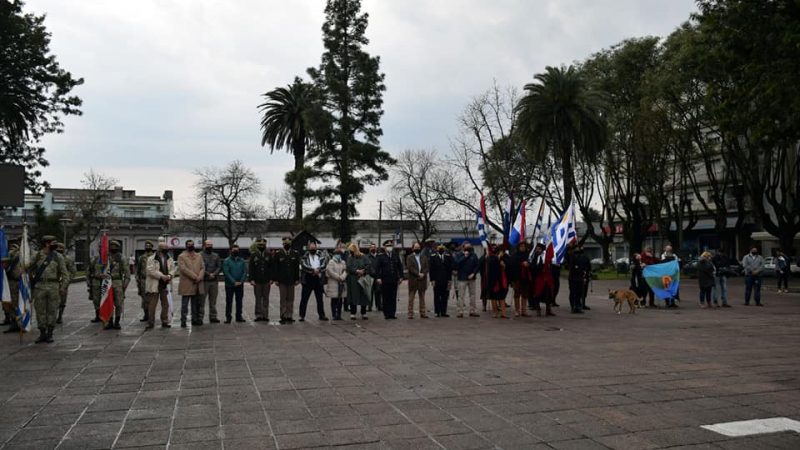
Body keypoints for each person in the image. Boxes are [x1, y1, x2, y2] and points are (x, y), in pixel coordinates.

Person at [29, 235, 68, 343]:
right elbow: (27, 268)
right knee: (40, 311)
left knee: (52, 310)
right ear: (47, 243)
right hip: (39, 287)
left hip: (53, 287)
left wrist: (63, 287)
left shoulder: (57, 256)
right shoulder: (36, 256)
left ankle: (50, 333)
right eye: (53, 242)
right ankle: (42, 333)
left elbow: (65, 274)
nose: (55, 244)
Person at [144, 240, 174, 329]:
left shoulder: (169, 258)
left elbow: (172, 269)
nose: (167, 249)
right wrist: (162, 276)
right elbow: (150, 271)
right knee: (152, 304)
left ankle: (164, 321)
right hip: (155, 284)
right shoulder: (151, 258)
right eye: (165, 248)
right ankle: (150, 322)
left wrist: (169, 275)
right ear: (160, 249)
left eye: (167, 248)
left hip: (165, 284)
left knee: (165, 304)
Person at [373, 240, 404, 320]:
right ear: (385, 247)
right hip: (385, 280)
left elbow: (400, 267)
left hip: (394, 279)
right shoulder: (381, 256)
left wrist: (401, 277)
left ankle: (392, 313)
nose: (389, 247)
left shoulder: (395, 256)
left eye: (390, 246)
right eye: (387, 246)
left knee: (393, 297)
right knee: (386, 297)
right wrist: (378, 278)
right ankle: (386, 313)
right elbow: (377, 268)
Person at [177, 240, 205, 327]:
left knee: (195, 304)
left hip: (197, 284)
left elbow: (203, 267)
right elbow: (183, 269)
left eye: (192, 244)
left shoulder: (199, 256)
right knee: (184, 304)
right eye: (189, 245)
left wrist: (200, 277)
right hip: (187, 283)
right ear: (186, 246)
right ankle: (183, 321)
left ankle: (194, 320)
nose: (191, 246)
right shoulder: (181, 256)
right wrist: (195, 277)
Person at [300, 241, 329, 322]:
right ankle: (302, 315)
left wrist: (318, 270)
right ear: (308, 248)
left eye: (314, 248)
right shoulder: (305, 256)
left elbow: (324, 264)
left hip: (318, 279)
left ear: (316, 248)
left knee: (320, 299)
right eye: (311, 248)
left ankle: (322, 315)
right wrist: (313, 270)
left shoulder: (320, 255)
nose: (313, 249)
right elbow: (303, 265)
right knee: (304, 299)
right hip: (308, 279)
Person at [105, 240, 130, 330]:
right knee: (109, 303)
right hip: (107, 283)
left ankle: (117, 321)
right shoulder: (106, 257)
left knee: (119, 303)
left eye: (115, 247)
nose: (113, 248)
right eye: (111, 247)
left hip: (118, 282)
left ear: (118, 247)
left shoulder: (122, 258)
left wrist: (124, 286)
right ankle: (110, 321)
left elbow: (127, 275)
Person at [274, 237, 300, 324]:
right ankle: (283, 315)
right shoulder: (278, 254)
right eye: (285, 244)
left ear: (290, 244)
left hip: (291, 280)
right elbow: (276, 268)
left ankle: (289, 315)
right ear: (283, 244)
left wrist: (297, 279)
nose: (287, 245)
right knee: (283, 299)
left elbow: (297, 268)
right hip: (282, 281)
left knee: (290, 299)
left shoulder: (295, 254)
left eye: (288, 244)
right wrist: (276, 279)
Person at [248, 238, 274, 322]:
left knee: (266, 298)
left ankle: (265, 315)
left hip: (267, 281)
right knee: (258, 298)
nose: (261, 246)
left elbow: (271, 267)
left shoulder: (269, 255)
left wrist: (271, 278)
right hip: (257, 281)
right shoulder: (253, 255)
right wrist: (251, 279)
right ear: (257, 245)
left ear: (265, 245)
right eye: (260, 245)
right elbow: (251, 268)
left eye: (263, 245)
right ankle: (258, 315)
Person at [453, 242, 480, 318]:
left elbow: (477, 265)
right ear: (463, 247)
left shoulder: (473, 255)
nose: (469, 249)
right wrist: (465, 257)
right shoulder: (458, 255)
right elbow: (456, 264)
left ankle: (472, 311)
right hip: (462, 278)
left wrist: (474, 273)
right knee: (461, 295)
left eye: (470, 247)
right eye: (467, 247)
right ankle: (460, 311)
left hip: (472, 278)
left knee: (472, 295)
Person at [223, 244, 247, 323]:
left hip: (240, 284)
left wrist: (241, 281)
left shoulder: (242, 261)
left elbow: (245, 272)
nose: (235, 251)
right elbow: (226, 273)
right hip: (230, 285)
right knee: (229, 301)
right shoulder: (227, 261)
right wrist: (234, 282)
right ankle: (228, 317)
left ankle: (239, 316)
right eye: (234, 250)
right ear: (230, 251)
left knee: (239, 301)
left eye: (237, 250)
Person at [346, 243, 371, 320]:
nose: (351, 252)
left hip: (363, 279)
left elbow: (368, 265)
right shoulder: (350, 258)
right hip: (353, 279)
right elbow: (349, 267)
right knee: (353, 295)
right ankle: (353, 313)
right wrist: (356, 271)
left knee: (364, 295)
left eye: (352, 250)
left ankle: (363, 312)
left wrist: (363, 271)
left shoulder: (363, 257)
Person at [530, 242, 555, 317]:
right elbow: (533, 267)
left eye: (539, 249)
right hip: (538, 278)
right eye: (537, 249)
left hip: (547, 278)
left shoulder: (546, 257)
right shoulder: (534, 257)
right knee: (537, 294)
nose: (538, 250)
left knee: (548, 294)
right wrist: (539, 269)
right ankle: (538, 309)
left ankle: (548, 310)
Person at [405, 241, 429, 319]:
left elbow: (426, 267)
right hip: (413, 280)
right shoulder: (409, 257)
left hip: (422, 280)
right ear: (412, 248)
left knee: (422, 298)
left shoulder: (424, 257)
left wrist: (423, 274)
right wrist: (418, 274)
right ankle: (410, 313)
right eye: (416, 247)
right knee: (411, 299)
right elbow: (410, 267)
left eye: (418, 247)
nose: (417, 249)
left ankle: (423, 313)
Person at [429, 244, 454, 318]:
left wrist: (449, 280)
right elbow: (431, 269)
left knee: (445, 296)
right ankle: (437, 312)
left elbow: (450, 269)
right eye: (439, 248)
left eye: (442, 248)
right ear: (437, 249)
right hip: (436, 280)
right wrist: (432, 280)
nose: (441, 250)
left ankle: (443, 312)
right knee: (436, 296)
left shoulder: (448, 256)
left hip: (445, 279)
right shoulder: (433, 257)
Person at [55, 242, 76, 324]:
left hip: (63, 283)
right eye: (58, 250)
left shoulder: (68, 259)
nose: (59, 251)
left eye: (61, 250)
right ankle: (53, 316)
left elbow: (73, 271)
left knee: (62, 301)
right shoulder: (52, 258)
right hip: (53, 282)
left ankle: (60, 316)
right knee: (53, 301)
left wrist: (67, 280)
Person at [486, 244, 510, 319]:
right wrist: (498, 259)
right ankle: (495, 312)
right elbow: (490, 266)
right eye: (501, 251)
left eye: (503, 251)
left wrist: (504, 265)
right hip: (494, 280)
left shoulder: (506, 257)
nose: (502, 253)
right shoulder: (492, 257)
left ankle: (503, 313)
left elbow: (509, 265)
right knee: (493, 297)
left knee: (502, 297)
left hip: (503, 279)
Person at [508, 241, 531, 317]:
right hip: (517, 278)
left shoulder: (528, 255)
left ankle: (524, 310)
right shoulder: (514, 256)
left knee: (525, 294)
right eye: (521, 246)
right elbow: (512, 266)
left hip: (526, 278)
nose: (523, 248)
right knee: (517, 294)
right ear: (518, 247)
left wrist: (528, 264)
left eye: (524, 246)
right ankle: (517, 310)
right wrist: (521, 264)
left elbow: (532, 264)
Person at [201, 240, 221, 323]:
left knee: (213, 301)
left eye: (211, 245)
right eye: (208, 245)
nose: (209, 246)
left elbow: (219, 266)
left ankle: (213, 317)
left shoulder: (216, 255)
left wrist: (214, 274)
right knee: (202, 300)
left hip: (214, 281)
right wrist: (208, 274)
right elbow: (200, 267)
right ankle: (200, 317)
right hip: (204, 281)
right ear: (204, 246)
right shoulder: (200, 255)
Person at [3, 241, 22, 333]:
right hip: (13, 282)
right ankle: (15, 322)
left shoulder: (27, 253)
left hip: (19, 282)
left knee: (17, 303)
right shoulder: (12, 253)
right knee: (13, 302)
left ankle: (18, 322)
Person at [135, 241, 155, 323]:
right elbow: (138, 270)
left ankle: (151, 315)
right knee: (144, 298)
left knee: (152, 298)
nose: (147, 247)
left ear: (152, 247)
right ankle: (146, 315)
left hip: (152, 280)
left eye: (149, 246)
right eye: (146, 246)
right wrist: (137, 279)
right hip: (143, 280)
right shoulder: (141, 257)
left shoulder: (155, 257)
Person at [567, 246, 590, 314]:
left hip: (580, 278)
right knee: (573, 293)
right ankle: (573, 307)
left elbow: (586, 268)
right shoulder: (571, 257)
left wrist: (585, 276)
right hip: (573, 278)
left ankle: (578, 307)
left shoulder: (583, 258)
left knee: (579, 293)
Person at [325, 248, 347, 320]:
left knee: (340, 300)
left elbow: (345, 271)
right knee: (334, 299)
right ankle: (334, 314)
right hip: (333, 283)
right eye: (337, 254)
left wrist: (342, 277)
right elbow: (330, 271)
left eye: (340, 254)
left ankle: (339, 314)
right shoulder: (331, 262)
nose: (339, 255)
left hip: (341, 283)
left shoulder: (343, 262)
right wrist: (338, 277)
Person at [87, 249, 106, 323]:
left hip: (105, 283)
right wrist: (88, 282)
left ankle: (105, 315)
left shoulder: (109, 259)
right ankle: (98, 316)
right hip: (96, 283)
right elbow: (89, 271)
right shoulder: (94, 259)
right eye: (100, 248)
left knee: (105, 299)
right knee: (96, 300)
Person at [366, 244, 382, 312]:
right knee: (370, 292)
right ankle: (369, 306)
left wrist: (380, 275)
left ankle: (379, 306)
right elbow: (366, 266)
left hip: (378, 277)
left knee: (378, 292)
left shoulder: (379, 257)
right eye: (371, 247)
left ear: (376, 248)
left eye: (374, 247)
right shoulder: (367, 257)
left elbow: (381, 266)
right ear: (369, 249)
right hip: (370, 277)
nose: (373, 248)